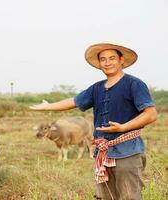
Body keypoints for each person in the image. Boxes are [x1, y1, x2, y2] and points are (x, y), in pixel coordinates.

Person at [29, 42, 157, 200]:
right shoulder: (96, 88)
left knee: (129, 197)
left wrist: (123, 127)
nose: (107, 62)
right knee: (106, 197)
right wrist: (47, 106)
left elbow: (151, 114)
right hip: (103, 153)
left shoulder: (134, 84)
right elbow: (74, 101)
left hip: (127, 153)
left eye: (112, 58)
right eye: (103, 59)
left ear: (121, 60)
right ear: (99, 63)